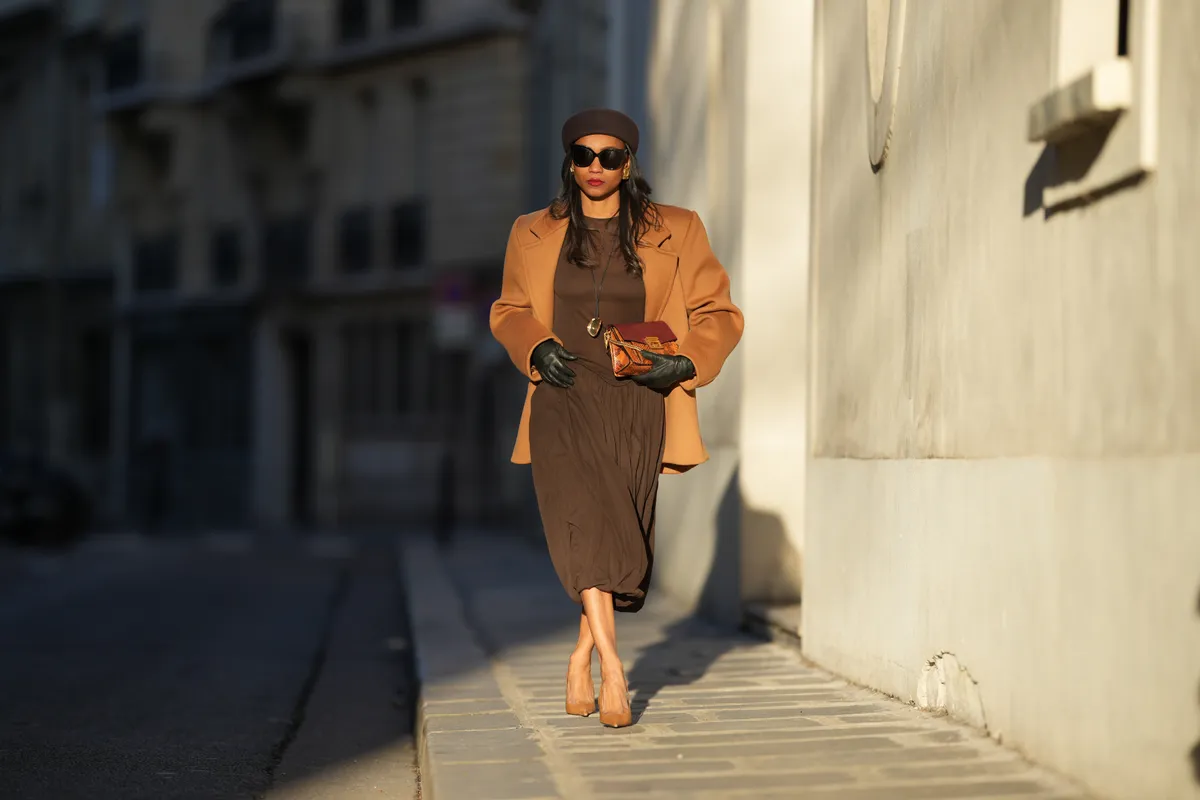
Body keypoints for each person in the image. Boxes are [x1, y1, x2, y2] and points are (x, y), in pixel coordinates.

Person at [489, 108, 743, 727]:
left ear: (629, 163)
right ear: (569, 162)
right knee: (581, 519)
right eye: (583, 155)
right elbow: (508, 308)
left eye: (609, 156)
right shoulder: (531, 231)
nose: (595, 167)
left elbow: (720, 312)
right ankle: (612, 667)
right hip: (561, 392)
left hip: (636, 397)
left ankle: (578, 656)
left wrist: (683, 365)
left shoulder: (678, 230)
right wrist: (535, 345)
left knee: (615, 528)